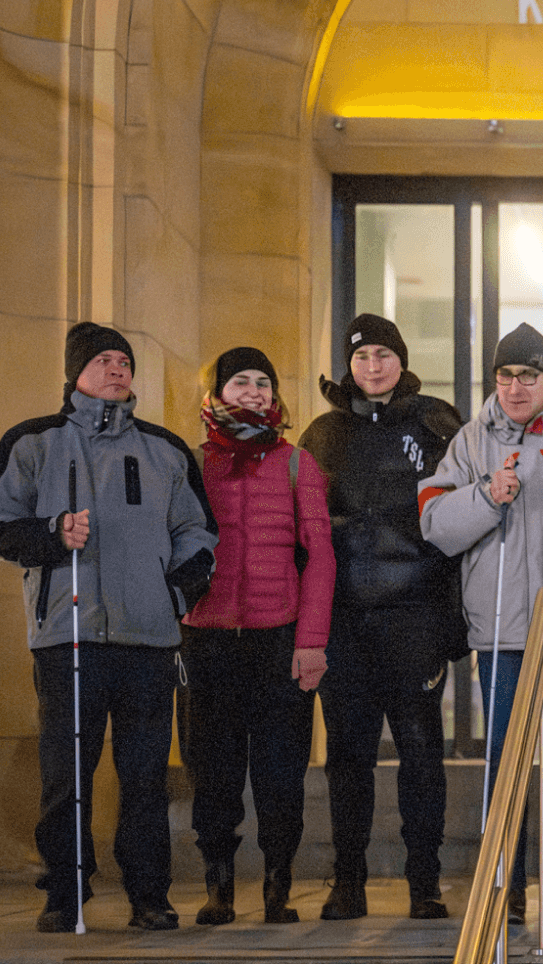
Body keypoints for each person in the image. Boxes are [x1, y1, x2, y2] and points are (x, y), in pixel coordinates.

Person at [0, 322, 217, 932]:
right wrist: (51, 534)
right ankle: (65, 893)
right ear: (75, 373)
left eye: (123, 362)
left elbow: (198, 532)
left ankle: (150, 896)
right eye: (103, 360)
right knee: (65, 776)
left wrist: (178, 590)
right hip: (67, 634)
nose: (116, 370)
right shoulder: (33, 442)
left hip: (149, 640)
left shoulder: (165, 449)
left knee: (144, 779)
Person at [418, 323, 543, 925]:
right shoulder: (471, 441)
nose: (516, 387)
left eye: (529, 375)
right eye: (506, 376)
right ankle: (507, 882)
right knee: (505, 757)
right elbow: (436, 525)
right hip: (498, 628)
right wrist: (484, 494)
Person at [299, 315, 468, 921]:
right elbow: (303, 535)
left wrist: (454, 621)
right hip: (346, 623)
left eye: (383, 354)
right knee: (348, 754)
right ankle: (349, 882)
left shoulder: (437, 423)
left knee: (422, 751)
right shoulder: (322, 435)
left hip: (415, 617)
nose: (373, 365)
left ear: (401, 359)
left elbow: (461, 525)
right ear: (350, 365)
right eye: (362, 355)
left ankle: (425, 882)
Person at [181, 348, 335, 925]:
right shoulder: (192, 465)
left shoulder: (298, 465)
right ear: (217, 392)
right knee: (213, 769)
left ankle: (277, 884)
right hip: (208, 637)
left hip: (279, 638)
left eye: (262, 382)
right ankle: (219, 884)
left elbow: (320, 560)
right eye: (240, 381)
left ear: (274, 395)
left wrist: (312, 641)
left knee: (280, 771)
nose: (253, 391)